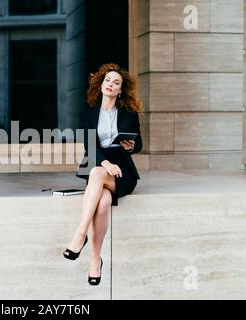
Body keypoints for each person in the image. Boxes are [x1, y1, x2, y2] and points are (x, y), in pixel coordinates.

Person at [63, 63, 143, 286]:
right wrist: (105, 162)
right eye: (108, 80)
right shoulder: (88, 113)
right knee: (104, 202)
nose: (111, 84)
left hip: (122, 171)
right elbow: (89, 145)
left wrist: (130, 147)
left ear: (120, 90)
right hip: (99, 162)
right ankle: (95, 261)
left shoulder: (129, 113)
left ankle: (80, 234)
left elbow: (139, 144)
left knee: (97, 174)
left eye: (116, 83)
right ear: (101, 85)